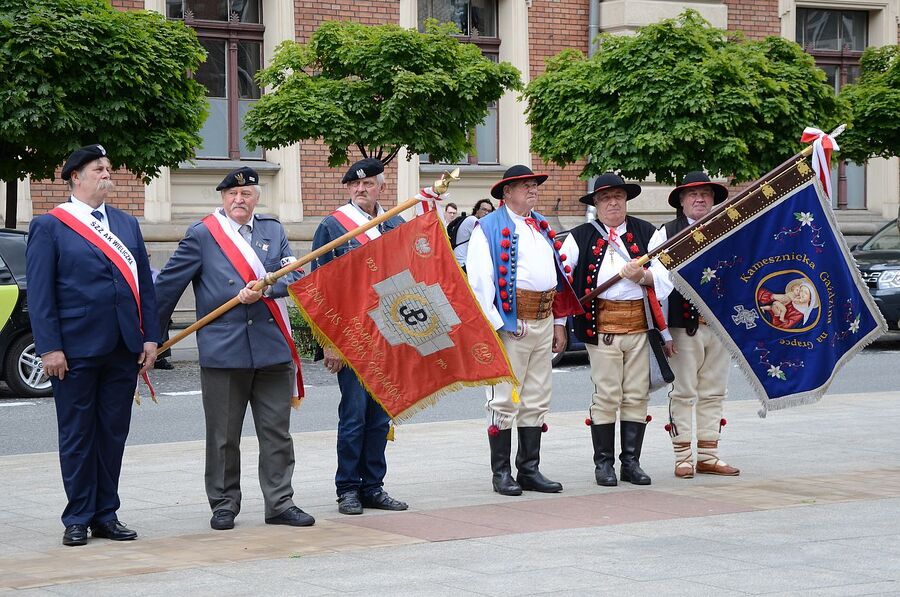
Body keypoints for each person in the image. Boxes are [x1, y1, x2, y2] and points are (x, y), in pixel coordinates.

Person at [155, 166, 314, 530]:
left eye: (246, 194)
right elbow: (166, 288)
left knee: (276, 432)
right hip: (224, 350)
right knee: (224, 436)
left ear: (257, 197)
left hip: (272, 347)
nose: (239, 200)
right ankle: (224, 503)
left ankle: (280, 503)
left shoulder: (273, 230)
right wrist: (151, 338)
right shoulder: (202, 235)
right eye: (232, 195)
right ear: (223, 198)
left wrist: (268, 287)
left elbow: (295, 274)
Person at [26, 144, 160, 546]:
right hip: (75, 350)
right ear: (75, 178)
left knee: (113, 433)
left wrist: (151, 336)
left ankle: (106, 512)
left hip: (122, 346)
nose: (106, 173)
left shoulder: (125, 223)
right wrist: (49, 347)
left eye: (108, 168)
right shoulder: (50, 226)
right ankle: (78, 516)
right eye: (97, 169)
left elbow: (144, 287)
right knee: (78, 434)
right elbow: (42, 292)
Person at [467, 165, 582, 496]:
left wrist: (559, 322)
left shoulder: (540, 225)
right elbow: (479, 282)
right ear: (507, 193)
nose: (533, 190)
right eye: (525, 186)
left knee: (536, 396)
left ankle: (528, 469)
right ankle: (501, 472)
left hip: (543, 320)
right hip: (511, 324)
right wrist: (499, 324)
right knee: (503, 397)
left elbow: (558, 277)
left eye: (534, 185)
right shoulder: (486, 228)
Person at [311, 157, 409, 515]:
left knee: (379, 418)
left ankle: (373, 486)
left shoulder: (395, 223)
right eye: (354, 185)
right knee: (353, 415)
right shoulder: (333, 227)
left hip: (389, 335)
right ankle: (348, 488)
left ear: (381, 187)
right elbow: (319, 288)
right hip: (350, 335)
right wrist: (329, 342)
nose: (360, 189)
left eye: (368, 184)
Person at [560, 173, 670, 487]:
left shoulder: (647, 233)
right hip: (601, 327)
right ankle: (604, 465)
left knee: (636, 395)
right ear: (595, 203)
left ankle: (631, 463)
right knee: (607, 395)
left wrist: (642, 278)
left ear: (625, 200)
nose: (613, 203)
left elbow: (665, 280)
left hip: (638, 327)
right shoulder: (579, 236)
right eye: (606, 198)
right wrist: (560, 325)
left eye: (618, 197)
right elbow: (564, 284)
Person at [649, 170, 740, 478]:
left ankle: (709, 455)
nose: (700, 199)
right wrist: (662, 332)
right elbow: (657, 285)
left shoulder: (728, 230)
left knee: (715, 391)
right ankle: (683, 456)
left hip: (719, 326)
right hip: (681, 326)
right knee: (684, 391)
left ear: (713, 199)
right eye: (693, 194)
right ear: (682, 201)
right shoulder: (666, 233)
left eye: (705, 194)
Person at [453, 198, 494, 268]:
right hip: (463, 263)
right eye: (484, 209)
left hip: (462, 262)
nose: (486, 213)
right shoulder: (473, 220)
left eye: (489, 211)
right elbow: (486, 239)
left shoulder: (472, 220)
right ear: (477, 210)